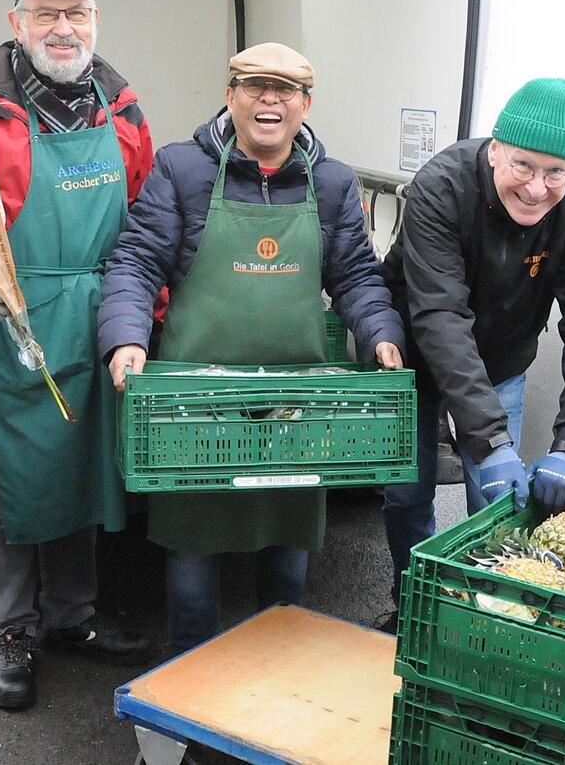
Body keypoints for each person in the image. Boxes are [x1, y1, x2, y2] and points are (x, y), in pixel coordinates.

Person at [98, 41, 405, 654]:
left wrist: (382, 334)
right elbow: (136, 261)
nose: (271, 99)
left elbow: (354, 277)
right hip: (196, 404)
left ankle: (277, 679)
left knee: (288, 554)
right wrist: (126, 337)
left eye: (285, 90)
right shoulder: (183, 170)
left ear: (306, 104)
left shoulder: (334, 183)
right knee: (193, 555)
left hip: (292, 406)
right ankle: (189, 683)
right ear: (230, 95)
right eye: (256, 86)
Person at [0, 0, 155, 711]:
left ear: (94, 22)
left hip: (101, 312)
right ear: (15, 23)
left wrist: (150, 302)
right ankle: (12, 629)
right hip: (14, 316)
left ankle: (72, 619)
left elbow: (148, 218)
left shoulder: (124, 107)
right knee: (18, 471)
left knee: (84, 460)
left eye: (75, 13)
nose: (62, 27)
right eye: (45, 12)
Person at [378, 77, 565, 627]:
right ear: (494, 152)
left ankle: (487, 620)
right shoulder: (441, 187)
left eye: (556, 171)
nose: (538, 188)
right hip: (411, 357)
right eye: (524, 167)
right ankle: (413, 606)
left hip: (502, 362)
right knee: (405, 492)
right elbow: (440, 316)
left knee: (496, 504)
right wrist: (488, 439)